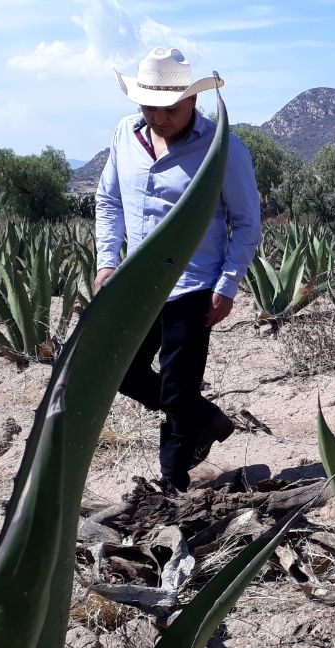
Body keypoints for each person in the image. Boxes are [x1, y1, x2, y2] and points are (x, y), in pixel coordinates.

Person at [95, 47, 260, 492]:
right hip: (135, 283)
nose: (158, 117)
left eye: (169, 108)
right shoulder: (124, 136)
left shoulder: (222, 149)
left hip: (193, 285)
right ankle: (206, 420)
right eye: (149, 107)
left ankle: (173, 482)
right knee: (122, 373)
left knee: (176, 388)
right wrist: (107, 261)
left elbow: (246, 223)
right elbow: (108, 201)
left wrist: (227, 285)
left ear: (192, 101)